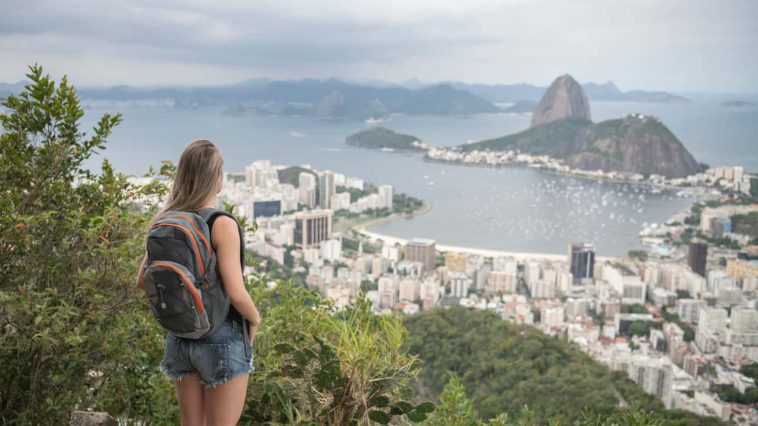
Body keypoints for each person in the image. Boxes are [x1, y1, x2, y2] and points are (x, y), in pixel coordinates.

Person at [135, 139, 261, 425]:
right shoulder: (222, 224)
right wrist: (255, 319)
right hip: (223, 338)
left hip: (180, 337)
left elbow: (141, 282)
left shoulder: (165, 221)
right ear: (216, 179)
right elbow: (236, 292)